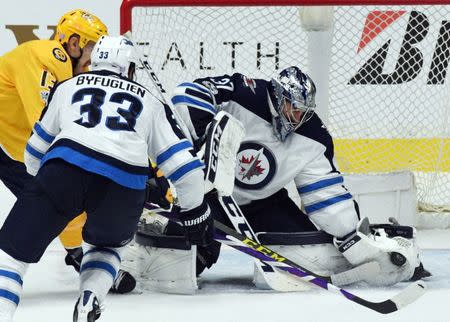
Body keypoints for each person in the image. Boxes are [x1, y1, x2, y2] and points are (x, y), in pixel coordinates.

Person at [134, 66, 430, 293]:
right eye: (292, 107)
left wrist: (348, 232)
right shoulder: (245, 92)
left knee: (310, 255)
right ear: (277, 96)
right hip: (207, 193)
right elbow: (189, 92)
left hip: (264, 204)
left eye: (303, 111)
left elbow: (324, 191)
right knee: (187, 259)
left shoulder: (314, 137)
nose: (297, 116)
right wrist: (199, 138)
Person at [0, 35, 212, 322]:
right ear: (129, 68)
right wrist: (194, 212)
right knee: (105, 247)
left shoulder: (66, 87)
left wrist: (46, 191)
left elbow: (34, 152)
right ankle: (91, 297)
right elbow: (186, 170)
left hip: (64, 169)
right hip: (125, 184)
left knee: (12, 257)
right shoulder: (149, 101)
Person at [0, 9, 134, 293]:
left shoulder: (66, 72)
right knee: (55, 195)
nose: (94, 61)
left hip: (9, 148)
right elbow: (53, 126)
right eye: (91, 50)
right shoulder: (50, 57)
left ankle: (78, 255)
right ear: (73, 44)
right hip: (9, 146)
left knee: (59, 197)